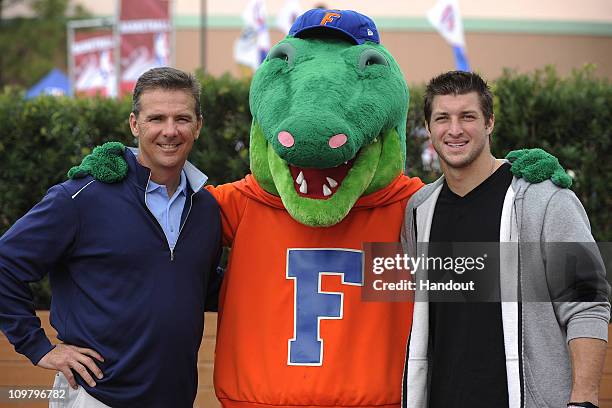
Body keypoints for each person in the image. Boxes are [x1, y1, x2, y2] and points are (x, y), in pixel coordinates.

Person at [0, 67, 221, 408]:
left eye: (182, 118)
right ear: (135, 124)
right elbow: (5, 264)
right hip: (95, 398)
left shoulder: (205, 207)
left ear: (198, 125)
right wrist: (38, 348)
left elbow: (197, 283)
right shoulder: (81, 198)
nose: (170, 131)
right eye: (156, 118)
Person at [401, 71, 610, 408]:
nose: (454, 130)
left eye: (467, 116)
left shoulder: (545, 199)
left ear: (489, 123)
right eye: (443, 118)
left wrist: (583, 399)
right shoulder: (418, 210)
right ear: (429, 128)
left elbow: (587, 302)